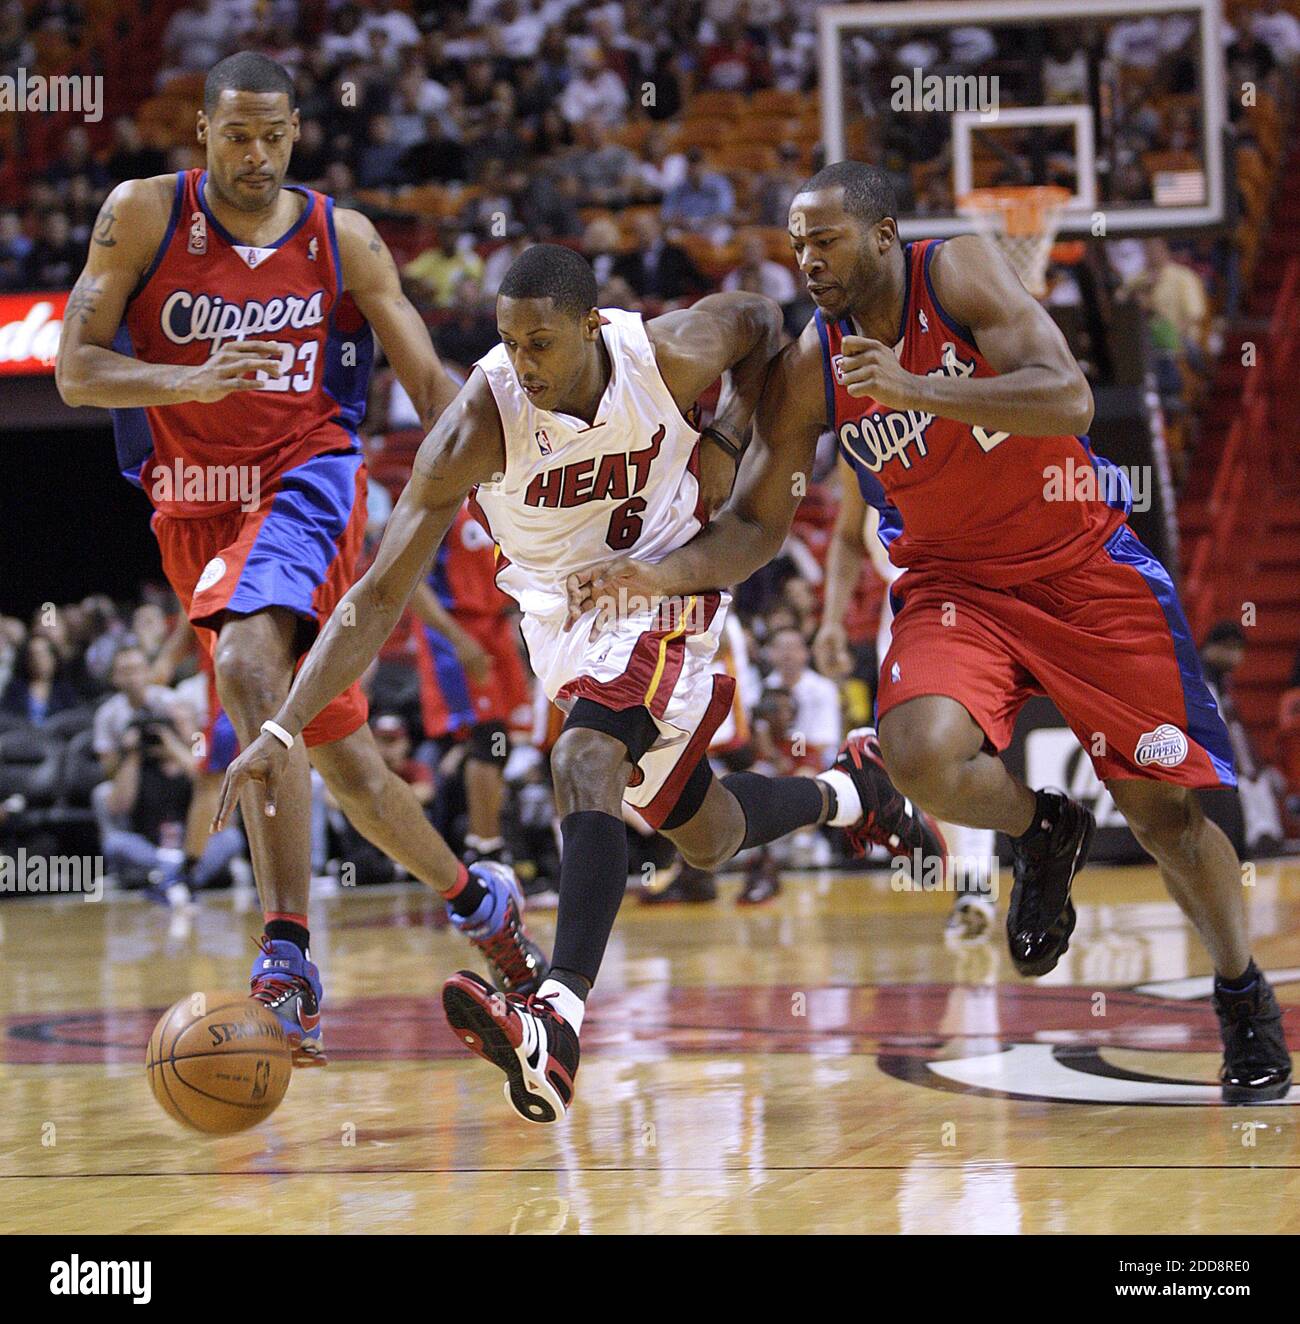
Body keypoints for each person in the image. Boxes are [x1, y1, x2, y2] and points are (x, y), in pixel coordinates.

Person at [583, 160, 1292, 1104]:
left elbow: (1068, 396)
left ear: (883, 235)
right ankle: (1045, 831)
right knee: (915, 754)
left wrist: (923, 389)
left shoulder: (956, 273)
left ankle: (1241, 990)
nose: (808, 260)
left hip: (1081, 564)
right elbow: (756, 526)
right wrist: (655, 571)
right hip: (954, 584)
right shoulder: (813, 362)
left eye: (824, 239)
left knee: (1165, 817)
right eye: (796, 243)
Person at [213, 244, 940, 1123]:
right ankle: (855, 792)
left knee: (582, 759)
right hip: (561, 622)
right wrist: (281, 730)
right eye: (510, 344)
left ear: (592, 326)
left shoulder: (665, 354)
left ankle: (555, 1017)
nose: (524, 365)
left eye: (542, 343)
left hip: (666, 580)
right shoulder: (478, 425)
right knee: (705, 833)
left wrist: (725, 433)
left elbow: (760, 319)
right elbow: (375, 598)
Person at [56, 51, 547, 1066]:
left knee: (247, 669)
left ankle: (285, 952)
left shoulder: (342, 236)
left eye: (275, 134)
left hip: (306, 478)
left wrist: (520, 479)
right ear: (201, 131)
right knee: (345, 763)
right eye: (237, 133)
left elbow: (426, 381)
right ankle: (478, 897)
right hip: (192, 504)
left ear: (295, 133)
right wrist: (183, 384)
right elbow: (74, 370)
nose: (258, 153)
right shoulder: (143, 215)